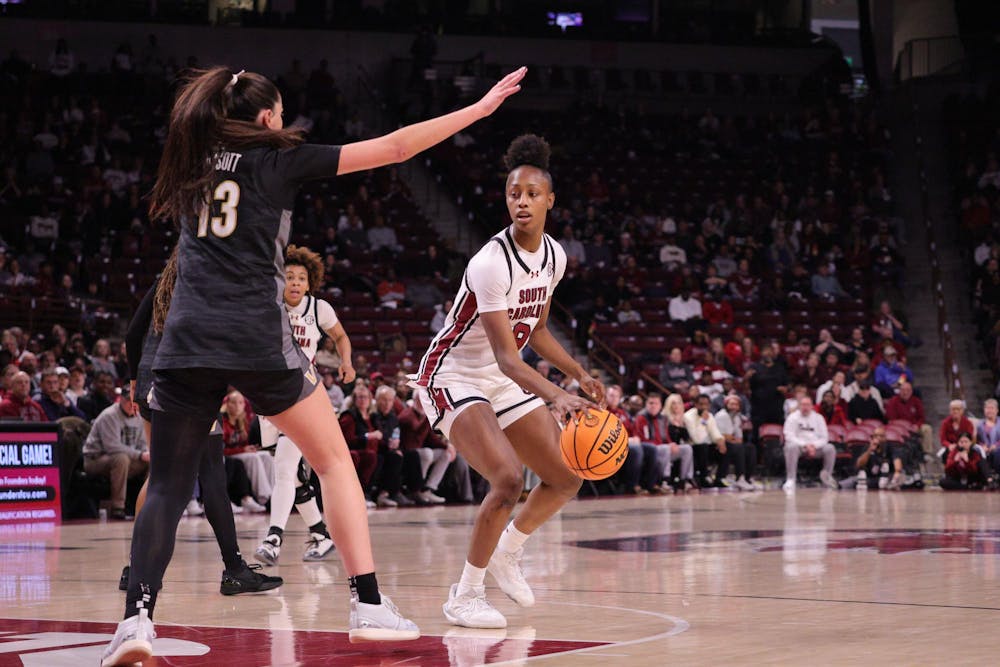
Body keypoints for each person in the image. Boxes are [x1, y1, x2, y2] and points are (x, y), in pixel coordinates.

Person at [102, 64, 524, 665]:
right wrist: (479, 111)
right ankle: (368, 604)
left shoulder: (191, 163)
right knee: (332, 463)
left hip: (186, 339)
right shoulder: (278, 161)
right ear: (269, 118)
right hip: (254, 338)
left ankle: (135, 622)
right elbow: (398, 146)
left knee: (167, 485)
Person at [412, 134, 601, 629]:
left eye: (532, 194)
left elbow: (535, 330)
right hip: (451, 374)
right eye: (514, 193)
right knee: (508, 479)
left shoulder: (554, 257)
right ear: (506, 198)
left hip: (499, 376)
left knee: (565, 476)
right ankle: (465, 594)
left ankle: (508, 552)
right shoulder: (490, 262)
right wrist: (560, 396)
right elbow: (507, 355)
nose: (522, 201)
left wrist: (578, 372)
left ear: (549, 200)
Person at [120, 256, 282, 596]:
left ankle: (136, 568)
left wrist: (135, 378)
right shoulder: (210, 275)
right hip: (186, 380)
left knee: (159, 477)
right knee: (212, 475)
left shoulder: (167, 276)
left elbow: (134, 331)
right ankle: (234, 568)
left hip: (152, 375)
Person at [255, 245, 356, 566]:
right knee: (294, 476)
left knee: (283, 470)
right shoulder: (269, 306)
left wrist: (347, 362)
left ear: (310, 283)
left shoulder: (319, 309)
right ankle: (321, 535)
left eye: (301, 278)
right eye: (289, 276)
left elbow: (340, 336)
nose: (295, 282)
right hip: (268, 395)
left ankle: (273, 537)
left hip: (301, 394)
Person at [82, 393, 149, 519]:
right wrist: (140, 455)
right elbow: (112, 446)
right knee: (121, 458)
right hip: (95, 459)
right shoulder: (109, 415)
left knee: (152, 461)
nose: (131, 404)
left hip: (126, 459)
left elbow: (142, 443)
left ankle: (147, 504)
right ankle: (118, 507)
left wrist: (145, 453)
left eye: (134, 401)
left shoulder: (139, 415)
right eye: (128, 400)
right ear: (121, 400)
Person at [219, 390, 272, 512]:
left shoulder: (243, 421)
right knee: (253, 458)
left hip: (238, 453)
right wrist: (243, 450)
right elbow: (221, 449)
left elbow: (243, 445)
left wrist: (250, 448)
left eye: (240, 403)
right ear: (227, 404)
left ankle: (273, 494)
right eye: (234, 402)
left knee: (265, 455)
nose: (237, 406)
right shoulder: (223, 421)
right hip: (227, 456)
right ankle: (263, 496)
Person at [782, 396, 836, 493]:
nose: (805, 407)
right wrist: (805, 445)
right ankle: (791, 479)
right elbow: (789, 436)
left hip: (816, 448)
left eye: (807, 405)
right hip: (799, 447)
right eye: (803, 405)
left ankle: (827, 476)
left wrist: (813, 446)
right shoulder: (792, 417)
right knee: (790, 447)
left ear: (812, 406)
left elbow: (824, 438)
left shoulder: (819, 418)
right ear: (799, 406)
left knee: (830, 448)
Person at [714, 394, 758, 490]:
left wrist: (733, 439)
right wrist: (733, 439)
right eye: (732, 404)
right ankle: (740, 478)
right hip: (717, 445)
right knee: (739, 447)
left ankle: (748, 478)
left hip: (731, 444)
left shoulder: (737, 417)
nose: (734, 407)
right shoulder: (721, 415)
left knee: (750, 447)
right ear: (726, 404)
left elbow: (739, 438)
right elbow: (723, 435)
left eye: (736, 405)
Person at [683, 393, 726, 488]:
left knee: (725, 447)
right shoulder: (688, 416)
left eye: (706, 404)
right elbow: (697, 439)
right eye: (701, 404)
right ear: (696, 404)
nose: (703, 407)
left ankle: (719, 478)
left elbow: (714, 432)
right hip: (694, 447)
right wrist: (703, 421)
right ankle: (704, 478)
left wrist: (720, 440)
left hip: (706, 446)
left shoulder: (709, 415)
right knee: (703, 447)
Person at [976, 399, 1000, 480]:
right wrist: (982, 446)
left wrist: (996, 445)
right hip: (985, 451)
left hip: (997, 451)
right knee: (978, 453)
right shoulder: (979, 424)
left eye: (992, 408)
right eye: (987, 408)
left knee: (997, 453)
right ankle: (987, 479)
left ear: (997, 410)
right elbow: (977, 440)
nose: (989, 410)